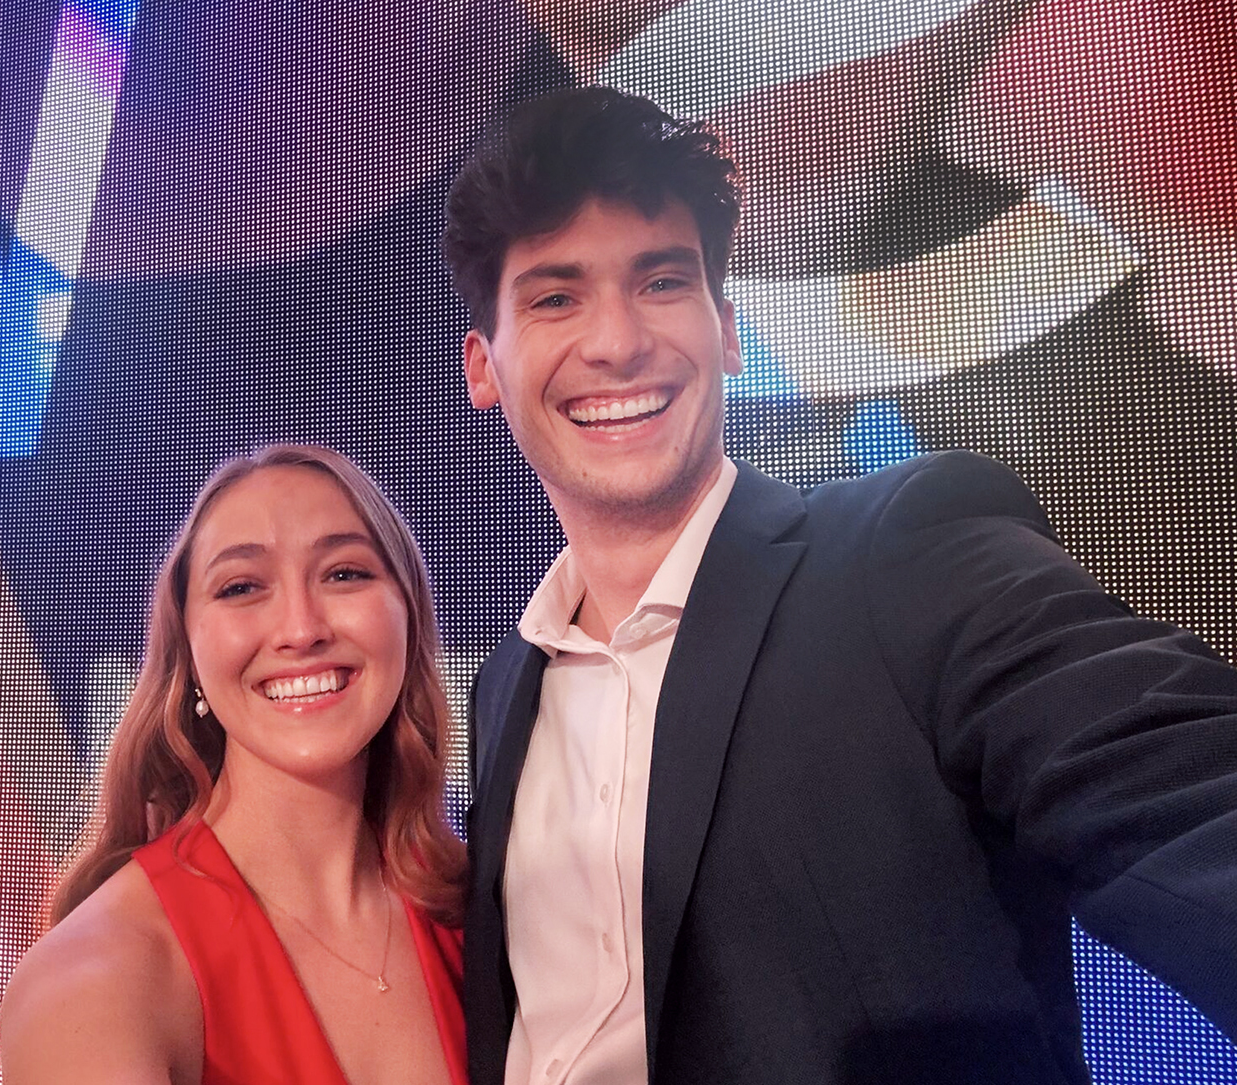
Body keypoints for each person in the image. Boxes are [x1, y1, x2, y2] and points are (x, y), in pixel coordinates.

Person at [440, 85, 1237, 1085]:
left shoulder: (904, 557)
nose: (615, 340)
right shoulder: (506, 687)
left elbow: (1191, 799)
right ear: (483, 367)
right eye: (555, 296)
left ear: (727, 333)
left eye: (660, 283)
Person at [0, 445, 470, 1085]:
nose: (301, 629)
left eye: (344, 574)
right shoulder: (98, 981)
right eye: (241, 587)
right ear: (188, 654)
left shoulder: (477, 910)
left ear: (408, 617)